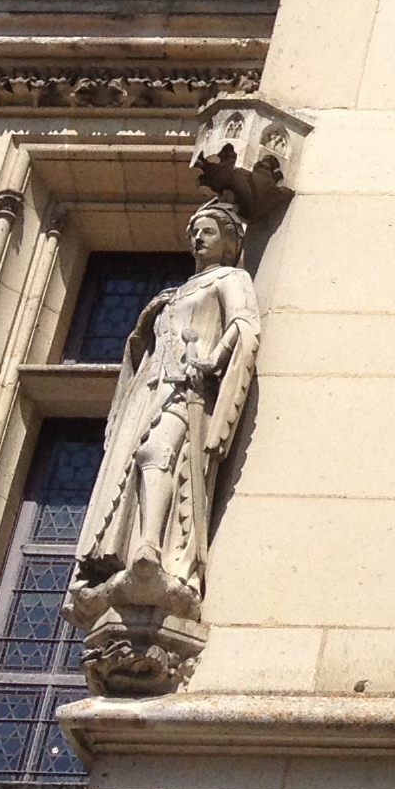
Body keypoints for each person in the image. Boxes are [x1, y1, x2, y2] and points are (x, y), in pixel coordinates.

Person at [73, 198, 261, 619]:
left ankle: (151, 547)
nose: (197, 237)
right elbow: (143, 347)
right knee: (135, 458)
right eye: (194, 230)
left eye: (208, 230)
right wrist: (146, 324)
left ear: (229, 240)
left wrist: (212, 362)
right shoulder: (173, 293)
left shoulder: (230, 278)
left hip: (185, 388)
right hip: (151, 389)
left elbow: (243, 323)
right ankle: (131, 546)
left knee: (155, 452)